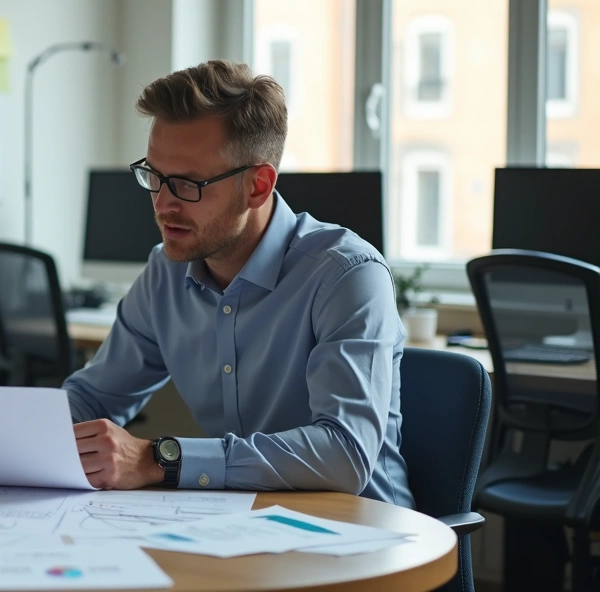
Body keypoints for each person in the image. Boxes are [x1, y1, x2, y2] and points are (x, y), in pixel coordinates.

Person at [63, 60, 412, 506]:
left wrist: (159, 459)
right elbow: (92, 397)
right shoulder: (165, 272)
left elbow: (344, 455)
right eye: (154, 176)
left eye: (188, 183)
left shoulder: (346, 275)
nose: (163, 204)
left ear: (258, 186)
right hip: (238, 526)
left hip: (362, 540)